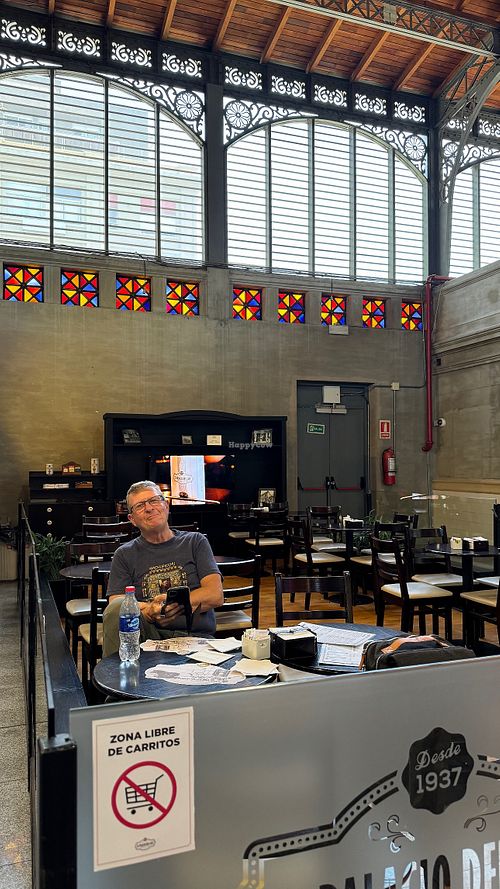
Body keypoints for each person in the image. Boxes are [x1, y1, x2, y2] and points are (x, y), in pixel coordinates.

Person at [102, 480, 224, 656]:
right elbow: (116, 603)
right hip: (147, 638)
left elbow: (215, 595)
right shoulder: (124, 554)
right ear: (132, 519)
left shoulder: (195, 542)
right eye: (140, 506)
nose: (149, 508)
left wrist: (170, 606)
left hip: (195, 638)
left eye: (154, 500)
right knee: (117, 608)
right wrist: (151, 610)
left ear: (166, 506)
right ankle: (116, 678)